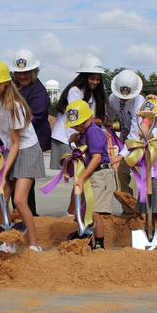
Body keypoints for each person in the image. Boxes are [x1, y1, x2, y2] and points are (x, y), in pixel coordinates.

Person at [0, 61, 45, 253]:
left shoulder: (15, 107)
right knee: (1, 195)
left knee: (19, 200)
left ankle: (34, 244)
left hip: (27, 150)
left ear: (6, 83)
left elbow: (17, 143)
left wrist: (3, 175)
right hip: (10, 149)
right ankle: (7, 240)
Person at [120, 98, 157, 232]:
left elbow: (143, 133)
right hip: (148, 177)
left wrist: (144, 120)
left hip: (156, 179)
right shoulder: (155, 130)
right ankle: (149, 234)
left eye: (147, 117)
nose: (144, 119)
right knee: (149, 213)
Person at [65, 99, 113, 250]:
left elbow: (97, 158)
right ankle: (87, 238)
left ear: (89, 118)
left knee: (94, 211)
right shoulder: (85, 132)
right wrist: (74, 140)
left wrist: (82, 178)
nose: (78, 127)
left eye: (80, 124)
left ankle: (99, 243)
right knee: (87, 209)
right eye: (75, 125)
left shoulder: (93, 131)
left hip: (100, 174)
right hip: (92, 174)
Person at [50, 55, 106, 170]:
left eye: (98, 79)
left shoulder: (94, 94)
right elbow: (77, 118)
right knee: (74, 173)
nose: (95, 82)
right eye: (92, 78)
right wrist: (99, 121)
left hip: (81, 138)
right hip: (68, 138)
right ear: (84, 77)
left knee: (81, 174)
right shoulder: (75, 91)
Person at [12, 49, 50, 217]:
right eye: (20, 72)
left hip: (30, 140)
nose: (23, 76)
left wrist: (13, 128)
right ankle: (18, 213)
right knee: (16, 178)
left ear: (34, 72)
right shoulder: (11, 86)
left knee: (25, 178)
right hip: (13, 139)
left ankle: (29, 214)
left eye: (27, 72)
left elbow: (35, 117)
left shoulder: (38, 91)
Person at [107, 69, 145, 212]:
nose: (122, 99)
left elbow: (135, 134)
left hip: (139, 144)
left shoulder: (139, 102)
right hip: (124, 140)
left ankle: (142, 210)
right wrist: (108, 126)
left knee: (141, 178)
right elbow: (109, 117)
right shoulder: (112, 98)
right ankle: (128, 209)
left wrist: (121, 155)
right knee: (121, 174)